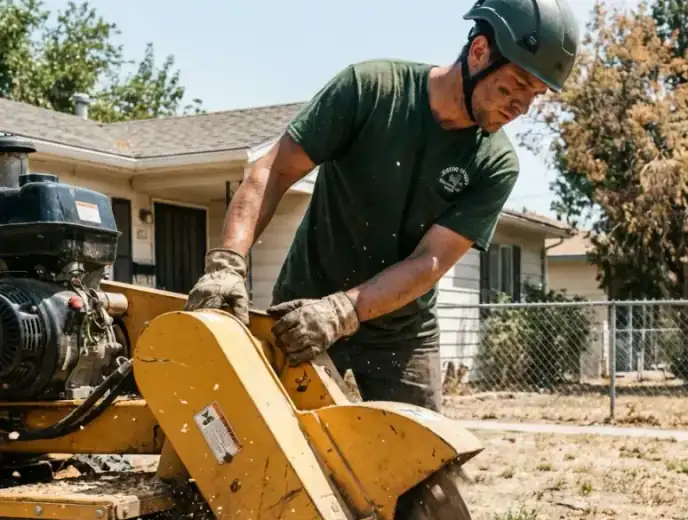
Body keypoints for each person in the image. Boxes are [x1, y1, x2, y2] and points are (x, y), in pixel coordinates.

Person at [185, 0, 579, 412]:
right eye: (515, 84)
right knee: (253, 447)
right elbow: (274, 171)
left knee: (425, 468)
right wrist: (227, 264)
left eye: (533, 95)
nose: (521, 107)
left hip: (402, 332)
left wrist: (343, 311)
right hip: (302, 311)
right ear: (480, 51)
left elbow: (430, 261)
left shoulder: (494, 163)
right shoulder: (371, 90)